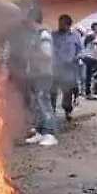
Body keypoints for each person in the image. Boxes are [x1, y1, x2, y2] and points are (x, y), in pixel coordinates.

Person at [24, 8, 57, 146]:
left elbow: (47, 55)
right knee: (36, 105)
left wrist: (32, 56)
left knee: (44, 103)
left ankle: (50, 134)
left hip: (43, 75)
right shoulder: (35, 35)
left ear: (33, 20)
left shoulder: (44, 35)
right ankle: (39, 132)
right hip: (35, 75)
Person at [51, 14, 82, 122]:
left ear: (68, 25)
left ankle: (67, 111)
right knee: (52, 91)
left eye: (63, 23)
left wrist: (76, 58)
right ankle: (51, 113)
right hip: (55, 68)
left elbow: (80, 51)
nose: (60, 25)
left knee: (67, 92)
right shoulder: (53, 35)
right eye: (60, 22)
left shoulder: (74, 37)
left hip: (69, 68)